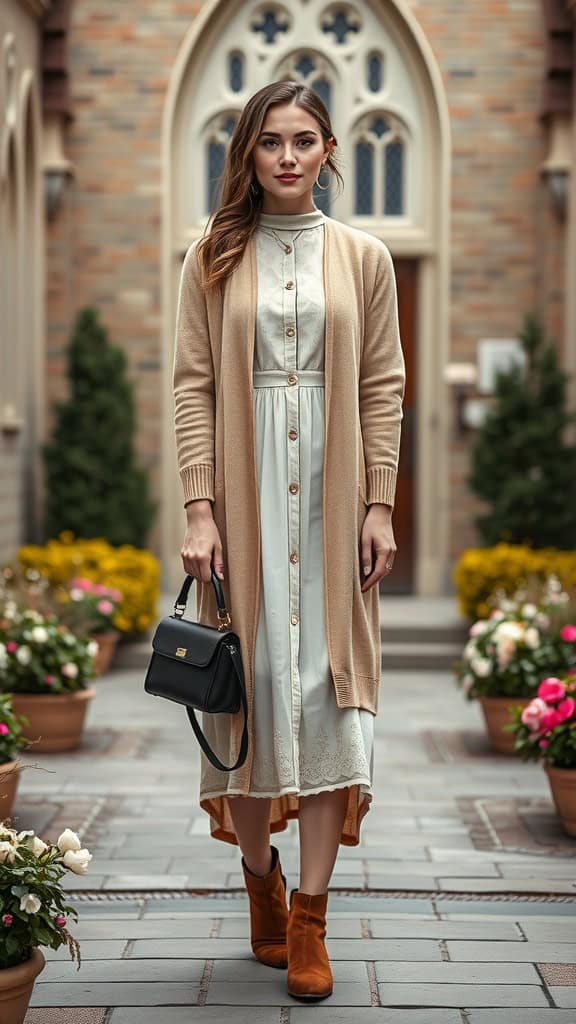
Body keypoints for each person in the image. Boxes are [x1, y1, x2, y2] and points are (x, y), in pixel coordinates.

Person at [173, 79, 405, 1002]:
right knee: (251, 696)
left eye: (305, 140)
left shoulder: (366, 258)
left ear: (329, 149)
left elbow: (382, 386)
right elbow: (194, 385)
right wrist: (200, 507)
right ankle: (259, 882)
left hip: (334, 507)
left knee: (327, 704)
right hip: (243, 502)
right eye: (270, 141)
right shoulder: (212, 254)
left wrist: (379, 504)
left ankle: (309, 916)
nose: (288, 156)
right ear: (249, 153)